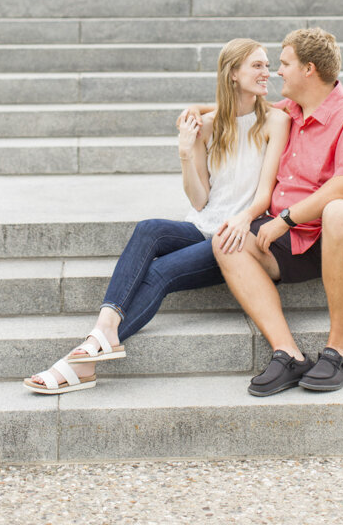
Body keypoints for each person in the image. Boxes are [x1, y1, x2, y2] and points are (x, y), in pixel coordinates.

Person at [23, 37, 291, 394]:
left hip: (234, 238)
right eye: (257, 65)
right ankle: (104, 329)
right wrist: (185, 152)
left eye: (267, 64)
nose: (267, 72)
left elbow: (264, 194)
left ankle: (83, 361)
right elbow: (200, 201)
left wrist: (245, 218)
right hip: (204, 225)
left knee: (159, 272)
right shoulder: (208, 126)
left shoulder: (276, 121)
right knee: (149, 229)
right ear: (232, 74)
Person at [181, 27, 343, 396]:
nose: (277, 72)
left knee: (339, 211)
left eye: (284, 63)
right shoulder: (291, 110)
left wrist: (285, 219)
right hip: (304, 237)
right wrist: (197, 110)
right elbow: (241, 108)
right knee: (227, 241)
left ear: (309, 70)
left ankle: (340, 353)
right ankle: (288, 354)